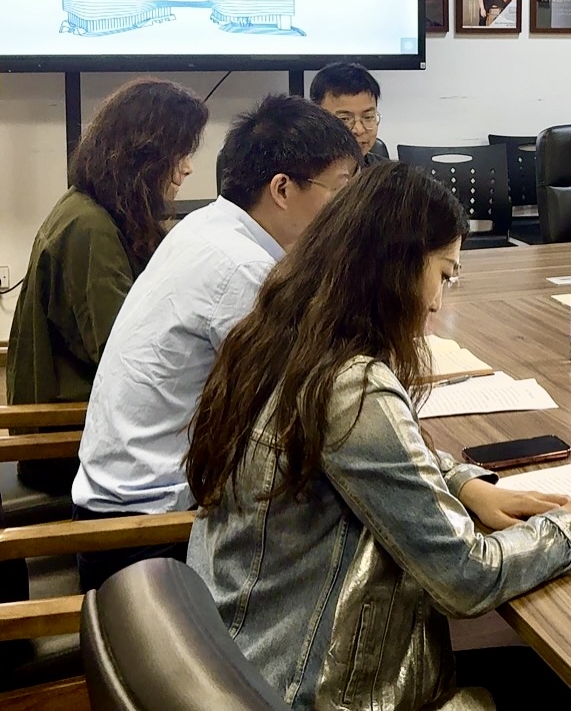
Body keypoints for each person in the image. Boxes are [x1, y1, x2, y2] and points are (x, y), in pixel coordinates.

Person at [185, 163, 571, 711]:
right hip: (306, 689)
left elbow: (369, 455)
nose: (439, 302)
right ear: (396, 266)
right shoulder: (352, 387)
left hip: (248, 654)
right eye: (443, 274)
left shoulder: (277, 340)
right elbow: (465, 578)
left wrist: (464, 484)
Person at [71, 96, 361, 589]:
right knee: (353, 527)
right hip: (146, 537)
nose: (347, 209)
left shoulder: (207, 225)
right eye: (339, 190)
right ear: (282, 189)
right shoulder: (242, 269)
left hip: (124, 507)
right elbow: (308, 405)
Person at [5, 79, 208, 493]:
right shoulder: (90, 228)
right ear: (144, 156)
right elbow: (127, 358)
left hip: (90, 424)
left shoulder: (95, 209)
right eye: (180, 153)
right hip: (73, 443)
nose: (188, 168)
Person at [309, 61, 390, 164]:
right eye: (344, 119)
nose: (359, 130)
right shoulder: (297, 171)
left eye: (368, 117)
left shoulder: (389, 172)